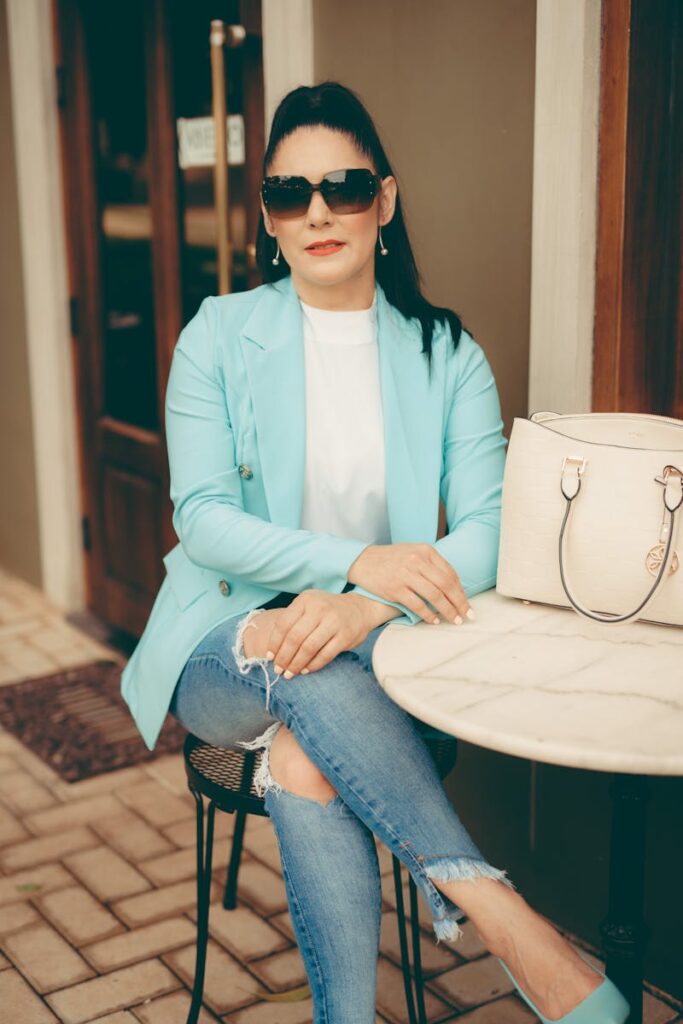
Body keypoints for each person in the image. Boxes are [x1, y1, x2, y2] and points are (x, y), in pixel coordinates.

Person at [120, 81, 630, 1024]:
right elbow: (203, 520)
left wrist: (365, 608)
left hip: (382, 655)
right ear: (268, 217)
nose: (317, 211)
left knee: (312, 749)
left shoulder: (446, 354)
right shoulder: (219, 337)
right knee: (291, 653)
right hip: (223, 647)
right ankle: (500, 912)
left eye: (343, 187)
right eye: (288, 193)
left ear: (384, 202)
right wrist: (355, 565)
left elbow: (486, 529)